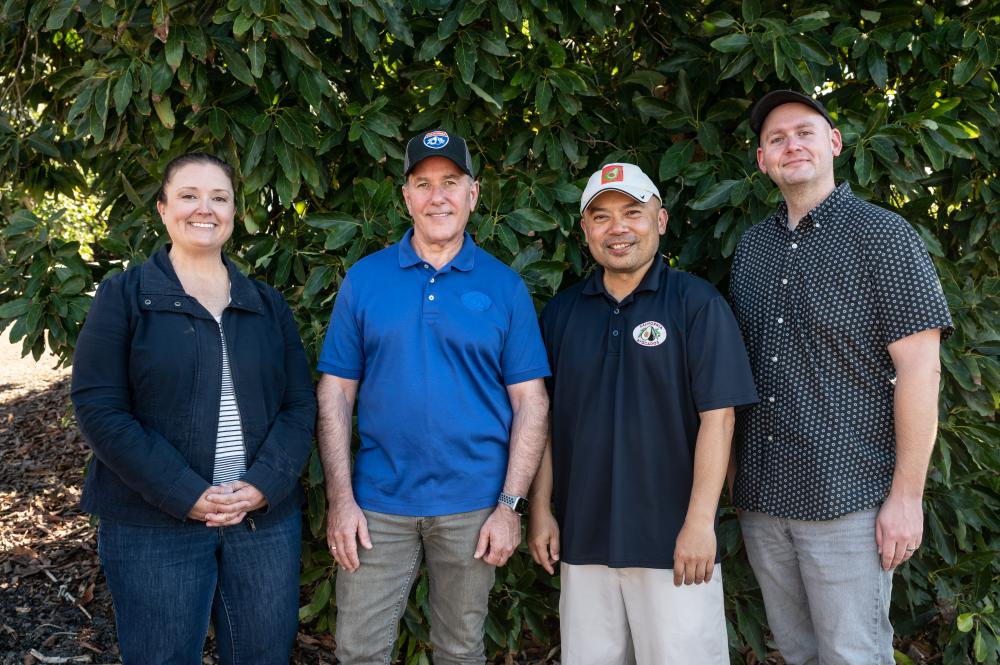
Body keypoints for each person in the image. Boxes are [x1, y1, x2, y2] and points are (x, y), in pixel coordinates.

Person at [729, 90, 954, 664]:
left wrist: (907, 496)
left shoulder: (883, 236)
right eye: (776, 139)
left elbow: (920, 372)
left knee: (852, 655)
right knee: (798, 655)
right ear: (762, 161)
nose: (791, 145)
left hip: (848, 498)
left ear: (833, 143)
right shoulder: (751, 250)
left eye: (804, 132)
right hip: (763, 499)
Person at [71, 153, 316, 665]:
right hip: (153, 523)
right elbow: (100, 406)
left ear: (233, 213)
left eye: (219, 198)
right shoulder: (125, 296)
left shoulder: (267, 304)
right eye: (188, 195)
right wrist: (186, 493)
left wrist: (263, 486)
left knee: (263, 655)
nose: (204, 208)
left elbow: (298, 405)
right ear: (163, 210)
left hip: (261, 522)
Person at [316, 129, 550, 664]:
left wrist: (510, 506)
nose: (437, 196)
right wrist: (341, 499)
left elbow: (531, 404)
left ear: (473, 193)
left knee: (459, 650)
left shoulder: (504, 286)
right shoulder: (365, 279)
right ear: (406, 197)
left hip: (473, 506)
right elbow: (335, 394)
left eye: (450, 182)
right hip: (377, 505)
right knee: (358, 650)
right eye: (423, 184)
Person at [528, 163, 759, 664]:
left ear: (660, 220)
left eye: (633, 212)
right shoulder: (561, 314)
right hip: (583, 538)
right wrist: (542, 508)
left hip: (673, 543)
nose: (618, 228)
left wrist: (700, 522)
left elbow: (719, 420)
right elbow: (543, 421)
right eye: (602, 217)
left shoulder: (697, 304)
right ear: (585, 230)